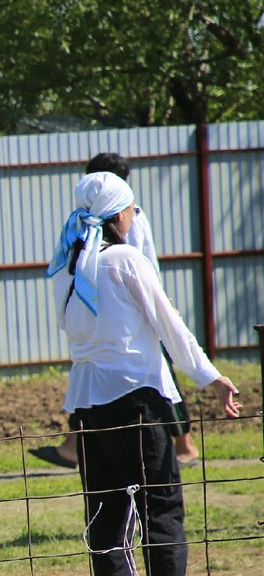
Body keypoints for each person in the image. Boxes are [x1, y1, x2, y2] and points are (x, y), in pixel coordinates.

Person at [45, 171, 239, 576]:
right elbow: (170, 324)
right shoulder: (127, 260)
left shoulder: (69, 265)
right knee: (162, 506)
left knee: (106, 509)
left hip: (86, 404)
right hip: (135, 400)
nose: (135, 216)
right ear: (119, 214)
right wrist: (211, 376)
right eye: (132, 208)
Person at [30, 152, 201, 471]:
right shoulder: (81, 229)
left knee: (160, 375)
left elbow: (136, 265)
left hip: (135, 311)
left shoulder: (127, 221)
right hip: (113, 320)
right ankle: (74, 446)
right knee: (97, 375)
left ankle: (184, 444)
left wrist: (209, 376)